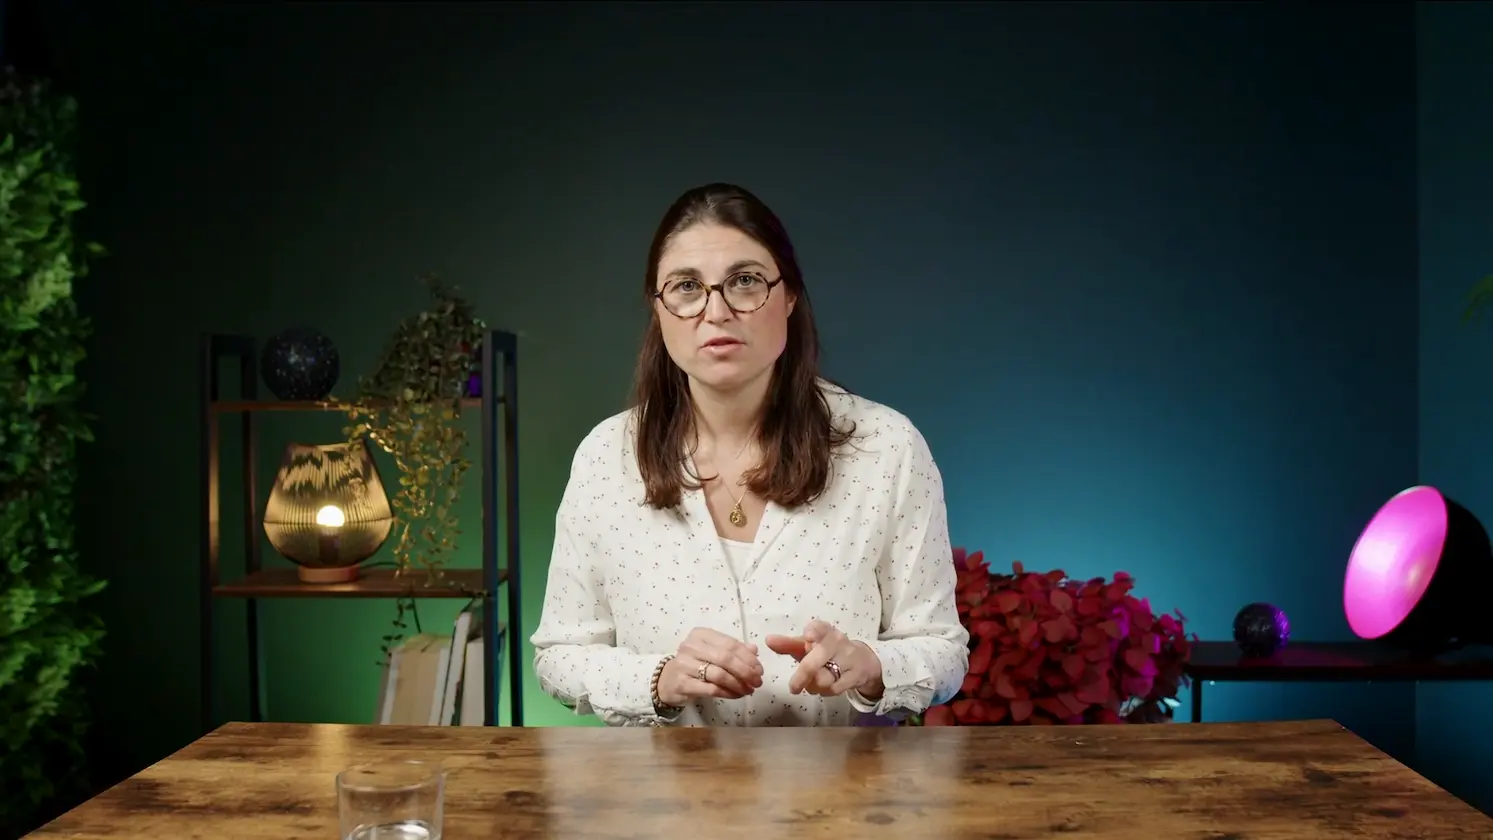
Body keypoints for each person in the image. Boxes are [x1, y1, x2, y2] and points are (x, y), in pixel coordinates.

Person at [530, 183, 969, 727]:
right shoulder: (606, 458)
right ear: (658, 309)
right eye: (686, 287)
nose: (716, 311)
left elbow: (943, 650)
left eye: (744, 281)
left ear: (789, 297)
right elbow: (561, 655)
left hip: (846, 781)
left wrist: (872, 666)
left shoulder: (887, 447)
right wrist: (657, 680)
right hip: (660, 782)